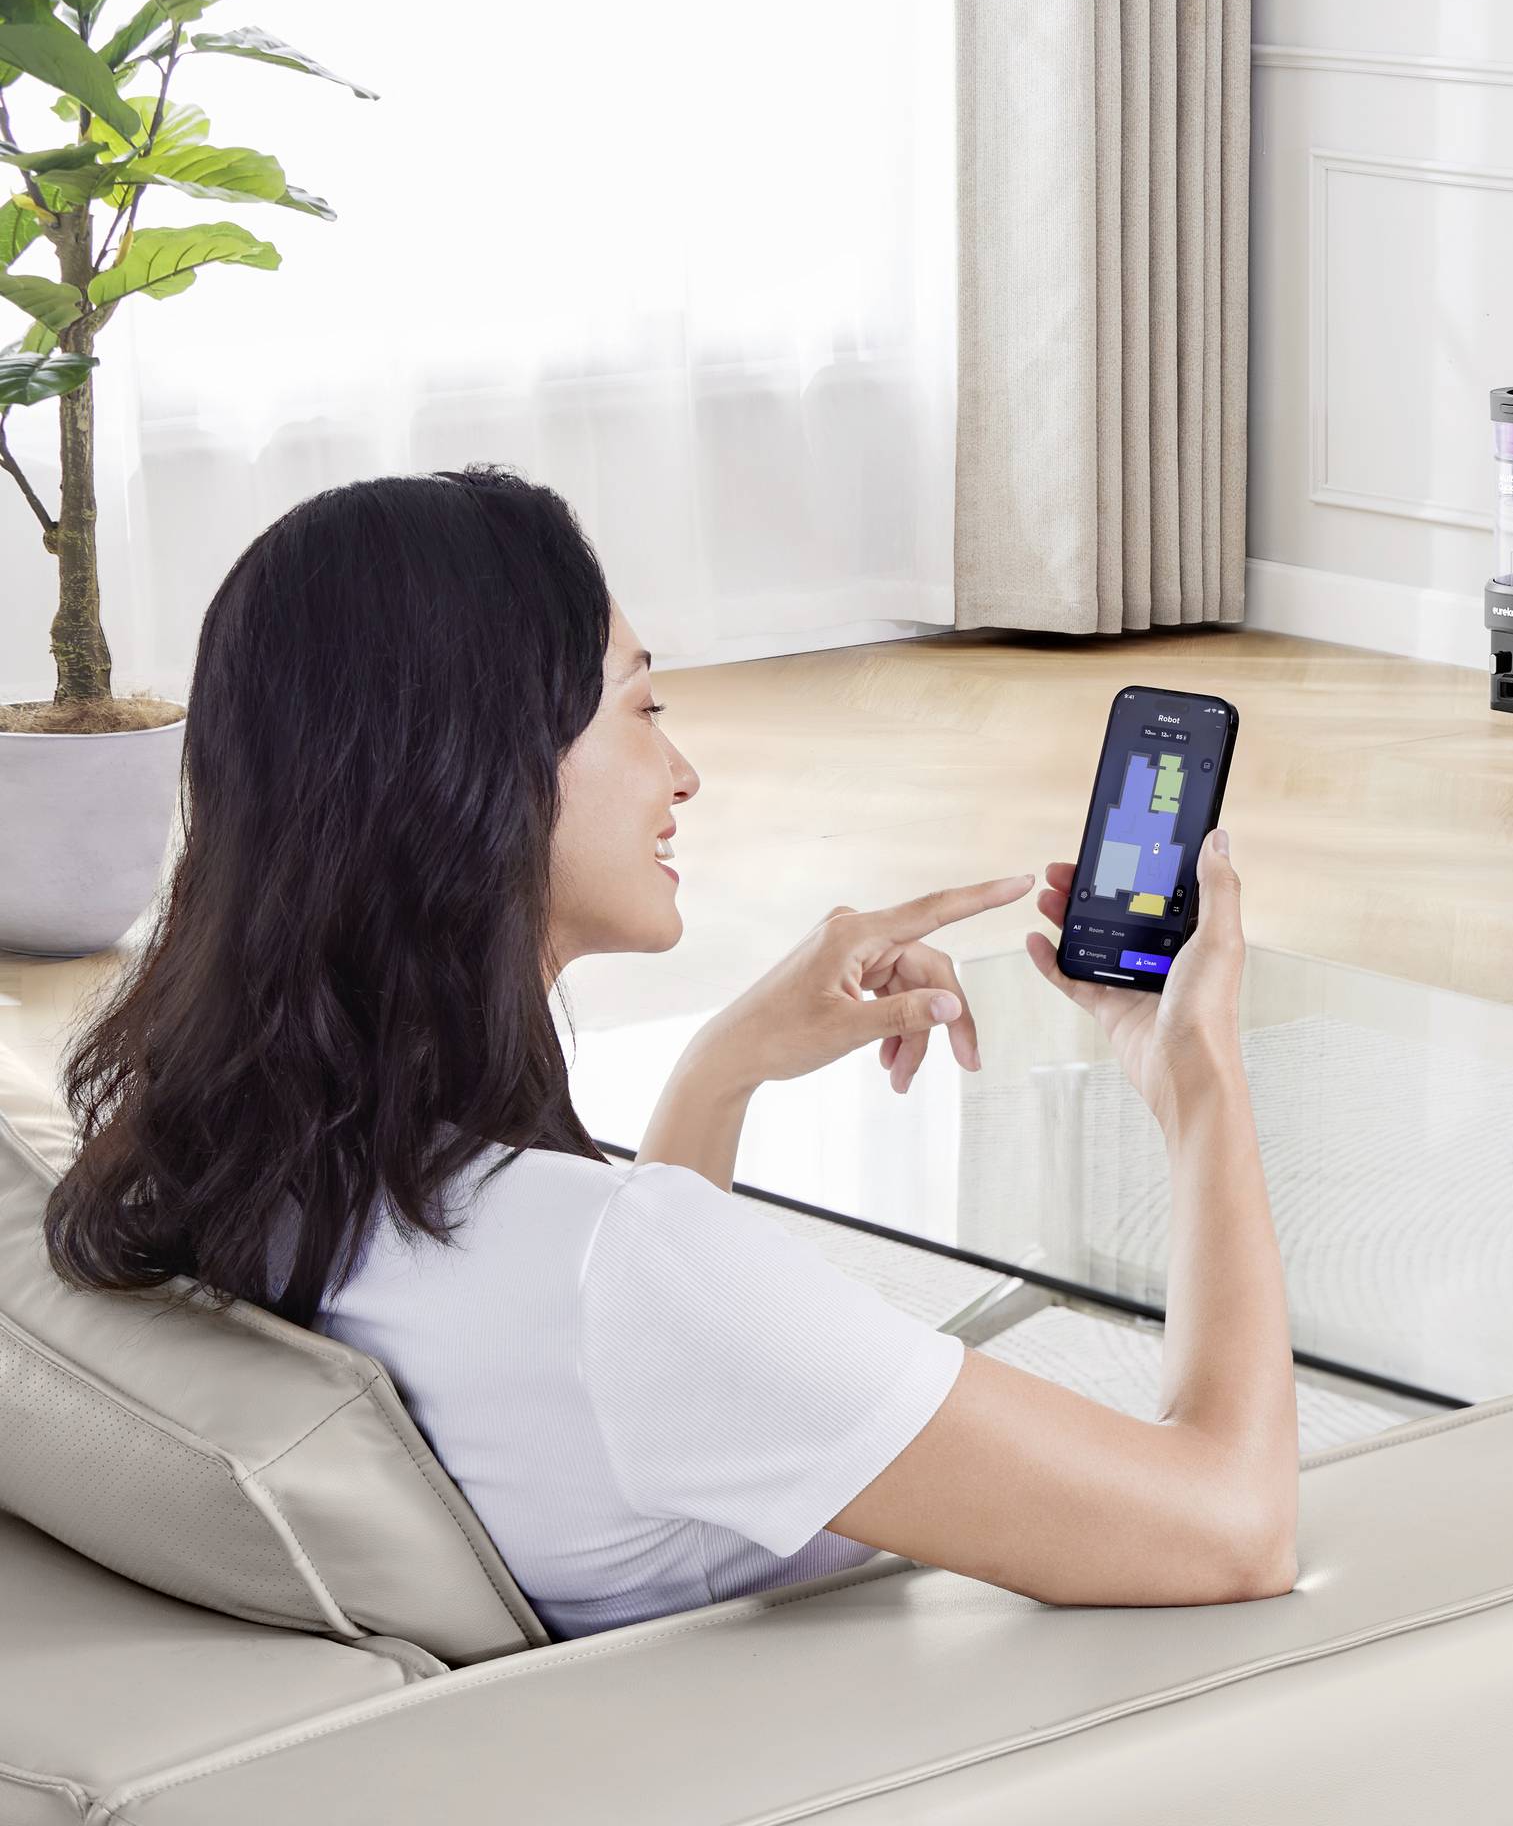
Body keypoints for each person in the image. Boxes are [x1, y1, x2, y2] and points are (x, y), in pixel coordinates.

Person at [42, 469, 1297, 1638]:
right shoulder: (623, 1274)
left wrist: (720, 1071)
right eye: (643, 708)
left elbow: (606, 1387)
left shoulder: (244, 1163)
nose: (682, 774)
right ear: (483, 768)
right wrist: (1194, 1077)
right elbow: (1233, 1526)